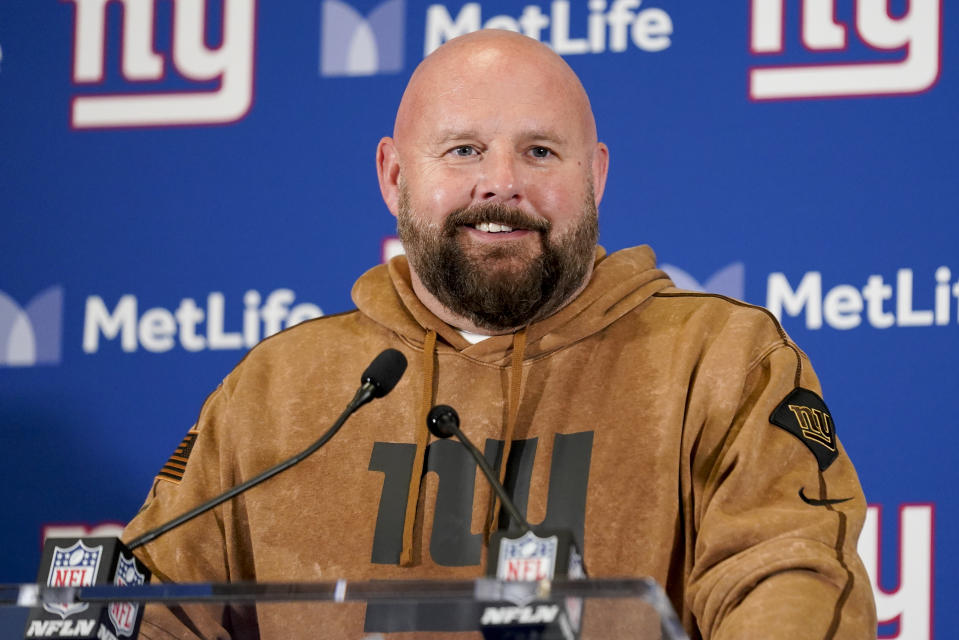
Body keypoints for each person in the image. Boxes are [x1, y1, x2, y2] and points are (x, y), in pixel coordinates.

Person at [123, 30, 877, 639]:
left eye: (540, 151)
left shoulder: (717, 359)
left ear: (597, 177)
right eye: (462, 150)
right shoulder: (280, 386)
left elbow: (786, 572)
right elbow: (154, 606)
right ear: (393, 176)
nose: (501, 183)